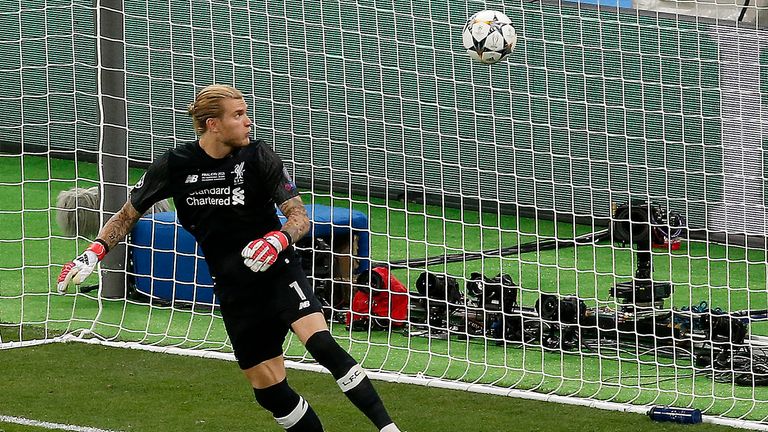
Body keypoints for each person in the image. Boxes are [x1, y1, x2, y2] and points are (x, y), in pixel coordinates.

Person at [57, 84, 401, 432]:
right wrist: (93, 253)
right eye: (238, 115)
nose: (248, 122)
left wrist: (276, 239)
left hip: (277, 272)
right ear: (212, 124)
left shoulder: (259, 157)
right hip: (234, 287)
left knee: (323, 344)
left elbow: (299, 219)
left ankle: (388, 428)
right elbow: (128, 215)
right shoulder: (175, 165)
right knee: (270, 392)